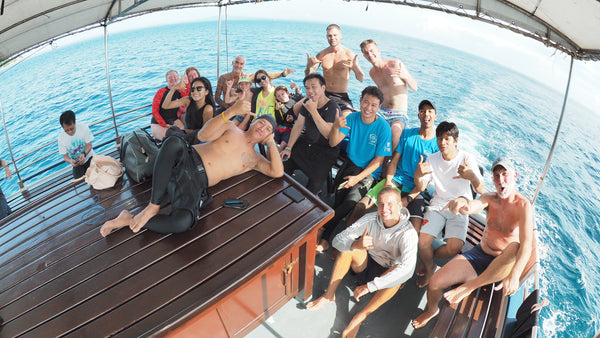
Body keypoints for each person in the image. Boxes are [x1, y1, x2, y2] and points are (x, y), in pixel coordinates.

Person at [99, 100, 284, 237]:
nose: (263, 128)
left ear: (269, 135)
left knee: (183, 222)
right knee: (172, 142)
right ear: (253, 121)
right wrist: (232, 111)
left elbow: (277, 172)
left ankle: (128, 219)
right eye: (261, 122)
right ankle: (152, 207)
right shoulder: (232, 128)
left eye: (268, 129)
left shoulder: (255, 159)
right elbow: (203, 134)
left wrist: (271, 144)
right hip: (186, 158)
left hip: (195, 183)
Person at [412, 157, 534, 329]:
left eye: (505, 174)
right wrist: (461, 202)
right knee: (434, 283)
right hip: (480, 256)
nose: (501, 180)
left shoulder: (523, 205)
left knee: (515, 247)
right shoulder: (489, 198)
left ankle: (469, 286)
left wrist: (515, 274)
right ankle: (432, 310)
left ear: (514, 175)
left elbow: (527, 244)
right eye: (496, 176)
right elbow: (471, 206)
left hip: (502, 264)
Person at [306, 187, 418, 338]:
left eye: (390, 204)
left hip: (386, 275)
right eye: (381, 204)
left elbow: (408, 270)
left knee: (399, 275)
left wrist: (371, 286)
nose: (385, 209)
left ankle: (359, 317)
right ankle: (329, 294)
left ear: (400, 205)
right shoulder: (371, 219)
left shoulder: (408, 234)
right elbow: (338, 240)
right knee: (347, 248)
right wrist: (356, 245)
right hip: (365, 264)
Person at [317, 86, 392, 252]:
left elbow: (379, 161)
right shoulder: (351, 118)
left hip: (368, 172)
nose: (368, 108)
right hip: (349, 165)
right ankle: (326, 235)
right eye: (366, 102)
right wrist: (336, 127)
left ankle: (323, 232)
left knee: (348, 204)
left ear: (379, 107)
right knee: (338, 200)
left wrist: (357, 179)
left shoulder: (383, 128)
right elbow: (333, 142)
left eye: (373, 105)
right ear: (360, 101)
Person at [347, 100, 440, 232]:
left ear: (435, 116)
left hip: (415, 189)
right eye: (423, 111)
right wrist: (388, 183)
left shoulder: (437, 146)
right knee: (360, 206)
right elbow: (394, 161)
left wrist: (407, 199)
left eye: (430, 111)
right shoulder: (407, 134)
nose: (426, 114)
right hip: (396, 181)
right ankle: (347, 240)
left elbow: (425, 182)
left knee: (415, 228)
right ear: (418, 115)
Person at [412, 121, 485, 288]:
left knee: (454, 247)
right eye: (439, 138)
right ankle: (429, 266)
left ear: (456, 141)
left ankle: (427, 259)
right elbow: (421, 187)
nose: (442, 143)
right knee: (423, 241)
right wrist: (417, 174)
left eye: (447, 139)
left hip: (460, 206)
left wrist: (471, 176)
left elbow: (481, 189)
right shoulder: (432, 159)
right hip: (438, 204)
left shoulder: (466, 158)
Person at [279, 73, 341, 196]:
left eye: (314, 87)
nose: (310, 91)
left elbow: (328, 134)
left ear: (323, 88)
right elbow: (298, 126)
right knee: (280, 167)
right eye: (307, 88)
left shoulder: (333, 106)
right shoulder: (307, 102)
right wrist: (289, 147)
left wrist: (313, 111)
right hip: (306, 145)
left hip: (325, 151)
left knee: (313, 189)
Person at [360, 39, 418, 150]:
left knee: (395, 133)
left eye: (372, 51)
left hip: (398, 114)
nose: (370, 55)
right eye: (366, 53)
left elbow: (414, 87)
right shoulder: (372, 73)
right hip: (382, 111)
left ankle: (386, 163)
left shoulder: (395, 64)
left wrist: (405, 76)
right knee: (363, 126)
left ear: (378, 50)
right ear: (364, 56)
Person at [305, 24, 365, 116]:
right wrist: (308, 66)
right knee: (302, 110)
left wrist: (355, 66)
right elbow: (308, 77)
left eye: (335, 35)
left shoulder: (349, 54)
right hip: (323, 94)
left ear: (340, 35)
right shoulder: (322, 54)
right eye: (329, 35)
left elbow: (361, 78)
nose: (332, 38)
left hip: (341, 96)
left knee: (346, 119)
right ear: (327, 37)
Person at [214, 55, 293, 110]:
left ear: (244, 66)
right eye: (236, 62)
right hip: (226, 108)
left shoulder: (246, 78)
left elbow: (265, 76)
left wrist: (282, 74)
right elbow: (217, 98)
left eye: (241, 64)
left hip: (241, 109)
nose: (238, 65)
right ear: (232, 63)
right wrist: (228, 108)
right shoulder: (223, 78)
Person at [58, 110, 94, 179]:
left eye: (72, 129)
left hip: (89, 157)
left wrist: (84, 154)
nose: (70, 132)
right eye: (66, 130)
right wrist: (71, 161)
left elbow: (89, 145)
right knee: (79, 182)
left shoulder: (83, 128)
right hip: (77, 164)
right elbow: (65, 156)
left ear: (75, 122)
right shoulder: (61, 138)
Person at [150, 70, 185, 141]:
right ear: (166, 80)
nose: (173, 79)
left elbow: (187, 99)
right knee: (172, 139)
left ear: (178, 78)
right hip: (158, 123)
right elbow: (154, 111)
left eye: (175, 76)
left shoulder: (180, 91)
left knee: (184, 135)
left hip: (173, 120)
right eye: (170, 77)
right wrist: (164, 124)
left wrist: (184, 83)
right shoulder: (161, 92)